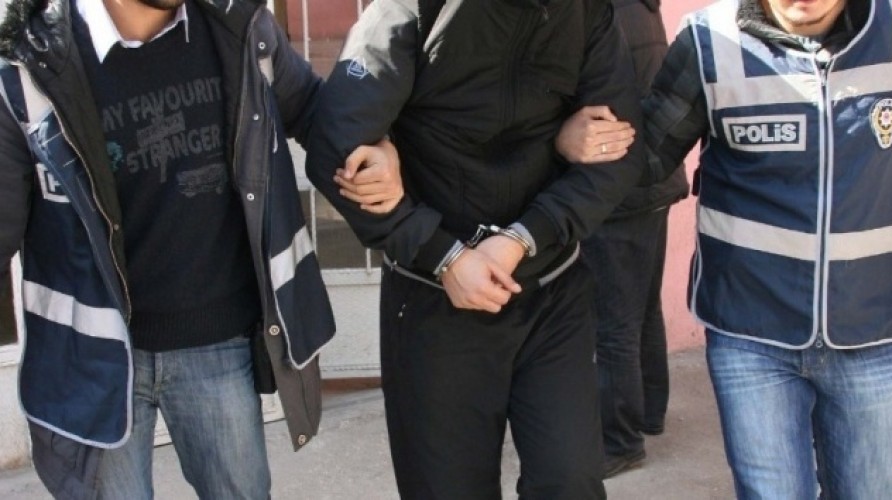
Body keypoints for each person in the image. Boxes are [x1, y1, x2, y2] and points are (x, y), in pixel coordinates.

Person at [0, 0, 402, 497]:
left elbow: (317, 112)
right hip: (94, 362)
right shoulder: (30, 62)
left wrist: (379, 145)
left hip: (217, 345)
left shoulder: (238, 26)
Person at [305, 0, 646, 498]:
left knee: (570, 480)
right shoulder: (408, 8)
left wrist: (521, 238)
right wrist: (442, 254)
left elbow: (619, 150)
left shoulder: (587, 10)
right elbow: (337, 145)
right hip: (434, 301)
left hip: (551, 293)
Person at [561, 0, 892, 497]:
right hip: (749, 333)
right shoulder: (709, 40)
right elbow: (645, 160)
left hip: (877, 332)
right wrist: (573, 142)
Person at [556, 0, 689, 479]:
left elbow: (594, 103)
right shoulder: (640, 7)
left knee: (613, 323)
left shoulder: (600, 13)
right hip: (654, 177)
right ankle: (649, 411)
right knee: (641, 307)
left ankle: (619, 441)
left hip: (619, 187)